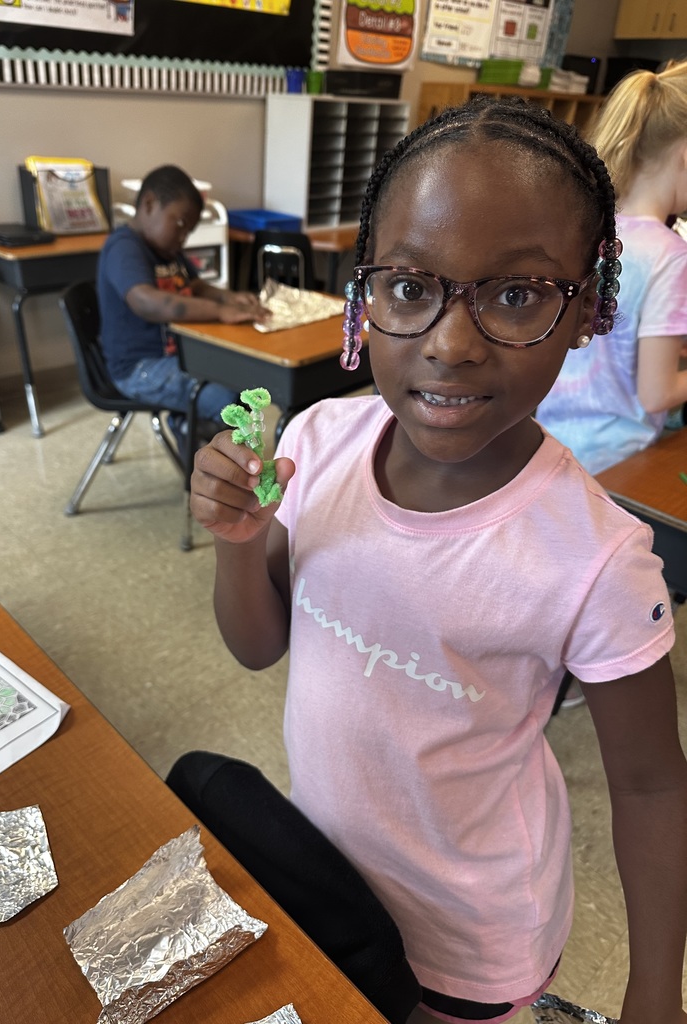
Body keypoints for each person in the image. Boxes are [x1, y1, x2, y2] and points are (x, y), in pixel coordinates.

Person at [189, 96, 687, 1024]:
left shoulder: (597, 559)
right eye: (410, 288)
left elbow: (654, 786)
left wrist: (657, 989)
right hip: (327, 874)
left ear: (586, 312)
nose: (452, 346)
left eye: (516, 293)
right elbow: (259, 647)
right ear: (364, 296)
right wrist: (242, 542)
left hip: (473, 939)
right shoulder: (319, 444)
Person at [538, 60, 687, 475]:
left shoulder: (584, 228)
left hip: (545, 445)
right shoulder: (670, 255)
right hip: (616, 461)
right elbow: (657, 394)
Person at [96, 164, 267, 450]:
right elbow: (146, 301)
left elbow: (196, 286)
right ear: (149, 204)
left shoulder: (168, 252)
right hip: (139, 368)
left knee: (239, 378)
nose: (183, 237)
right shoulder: (124, 248)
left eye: (189, 230)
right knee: (224, 398)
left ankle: (192, 427)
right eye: (180, 224)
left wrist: (228, 298)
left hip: (179, 357)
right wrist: (219, 312)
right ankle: (195, 438)